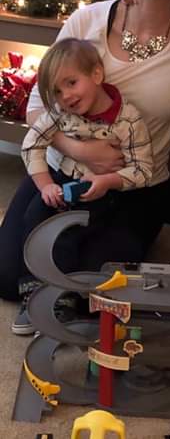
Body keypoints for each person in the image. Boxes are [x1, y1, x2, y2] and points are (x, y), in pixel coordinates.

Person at [0, 0, 170, 329]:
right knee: (9, 279)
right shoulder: (87, 20)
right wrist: (77, 149)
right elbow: (38, 104)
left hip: (134, 186)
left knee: (90, 294)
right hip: (63, 175)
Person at [12, 37, 153, 333]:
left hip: (102, 192)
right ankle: (33, 294)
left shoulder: (128, 120)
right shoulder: (59, 114)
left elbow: (143, 170)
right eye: (57, 91)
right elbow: (31, 144)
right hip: (60, 183)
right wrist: (45, 185)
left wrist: (107, 181)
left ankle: (61, 300)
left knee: (71, 235)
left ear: (97, 74)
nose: (66, 96)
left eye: (72, 83)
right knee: (34, 218)